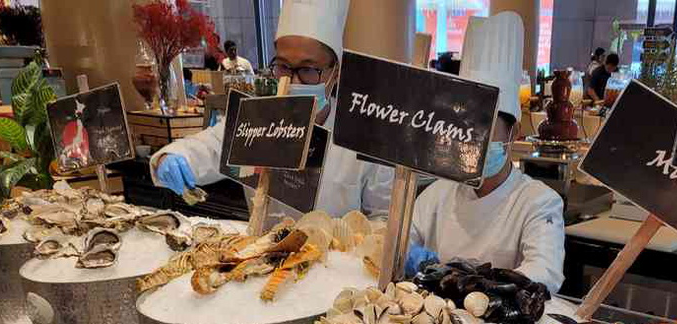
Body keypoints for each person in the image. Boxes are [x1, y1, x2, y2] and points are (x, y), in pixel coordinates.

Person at [149, 0, 392, 219]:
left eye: (309, 70)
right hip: (262, 260)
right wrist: (172, 158)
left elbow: (382, 217)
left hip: (337, 264)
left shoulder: (364, 137)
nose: (294, 82)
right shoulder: (258, 119)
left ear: (335, 73)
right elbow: (210, 148)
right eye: (284, 67)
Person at [407, 12, 565, 294]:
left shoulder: (538, 202)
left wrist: (475, 288)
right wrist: (403, 253)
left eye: (484, 127)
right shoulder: (438, 194)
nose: (471, 139)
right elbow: (401, 240)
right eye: (463, 127)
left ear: (513, 132)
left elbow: (544, 273)